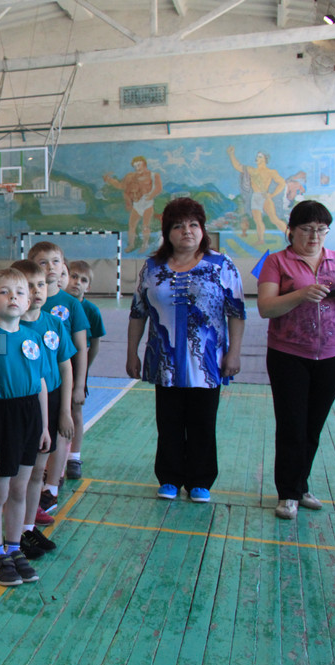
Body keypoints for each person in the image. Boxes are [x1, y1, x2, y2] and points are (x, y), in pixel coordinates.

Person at [127, 197, 246, 504]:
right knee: (168, 422)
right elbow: (138, 312)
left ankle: (200, 481)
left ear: (203, 229)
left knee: (203, 424)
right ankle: (169, 478)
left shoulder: (221, 265)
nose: (187, 231)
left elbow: (236, 312)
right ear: (168, 232)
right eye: (178, 226)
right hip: (164, 362)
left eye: (193, 224)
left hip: (207, 363)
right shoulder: (152, 267)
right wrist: (132, 352)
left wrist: (233, 353)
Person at [257, 200, 335, 519]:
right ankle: (288, 493)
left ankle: (301, 485)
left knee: (313, 426)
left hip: (333, 353)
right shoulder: (277, 262)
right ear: (291, 231)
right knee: (292, 425)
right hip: (288, 354)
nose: (314, 236)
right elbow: (266, 307)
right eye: (307, 229)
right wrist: (300, 295)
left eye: (321, 230)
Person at [0, 268, 49, 588]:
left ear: (28, 301)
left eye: (19, 292)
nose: (13, 297)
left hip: (30, 415)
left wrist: (44, 426)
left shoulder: (32, 337)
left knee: (20, 489)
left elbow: (40, 382)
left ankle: (15, 547)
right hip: (1, 415)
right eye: (4, 292)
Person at [13, 259, 75, 558]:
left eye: (41, 284)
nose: (37, 291)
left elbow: (66, 367)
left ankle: (28, 527)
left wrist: (65, 410)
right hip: (22, 404)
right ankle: (14, 533)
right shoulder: (10, 328)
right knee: (21, 475)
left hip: (51, 399)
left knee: (39, 470)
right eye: (28, 286)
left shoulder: (55, 324)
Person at [27, 241, 88, 508]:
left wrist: (78, 385)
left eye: (55, 261)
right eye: (43, 262)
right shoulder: (23, 305)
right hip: (32, 387)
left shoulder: (70, 305)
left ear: (63, 265)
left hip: (61, 382)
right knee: (41, 435)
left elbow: (80, 348)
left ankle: (53, 483)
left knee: (62, 429)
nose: (50, 267)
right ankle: (36, 483)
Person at [64, 259, 106, 480]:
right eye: (73, 277)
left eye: (83, 280)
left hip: (77, 368)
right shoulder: (55, 305)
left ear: (88, 286)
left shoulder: (91, 311)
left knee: (75, 411)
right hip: (55, 368)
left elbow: (95, 344)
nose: (76, 282)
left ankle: (74, 456)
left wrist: (83, 370)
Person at [103, 156, 162, 253]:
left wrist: (151, 195)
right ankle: (131, 244)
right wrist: (109, 180)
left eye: (139, 165)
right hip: (137, 204)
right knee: (131, 225)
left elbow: (158, 188)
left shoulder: (154, 175)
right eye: (135, 166)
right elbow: (121, 186)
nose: (137, 168)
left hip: (147, 204)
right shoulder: (131, 176)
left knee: (145, 226)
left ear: (144, 164)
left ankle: (145, 244)